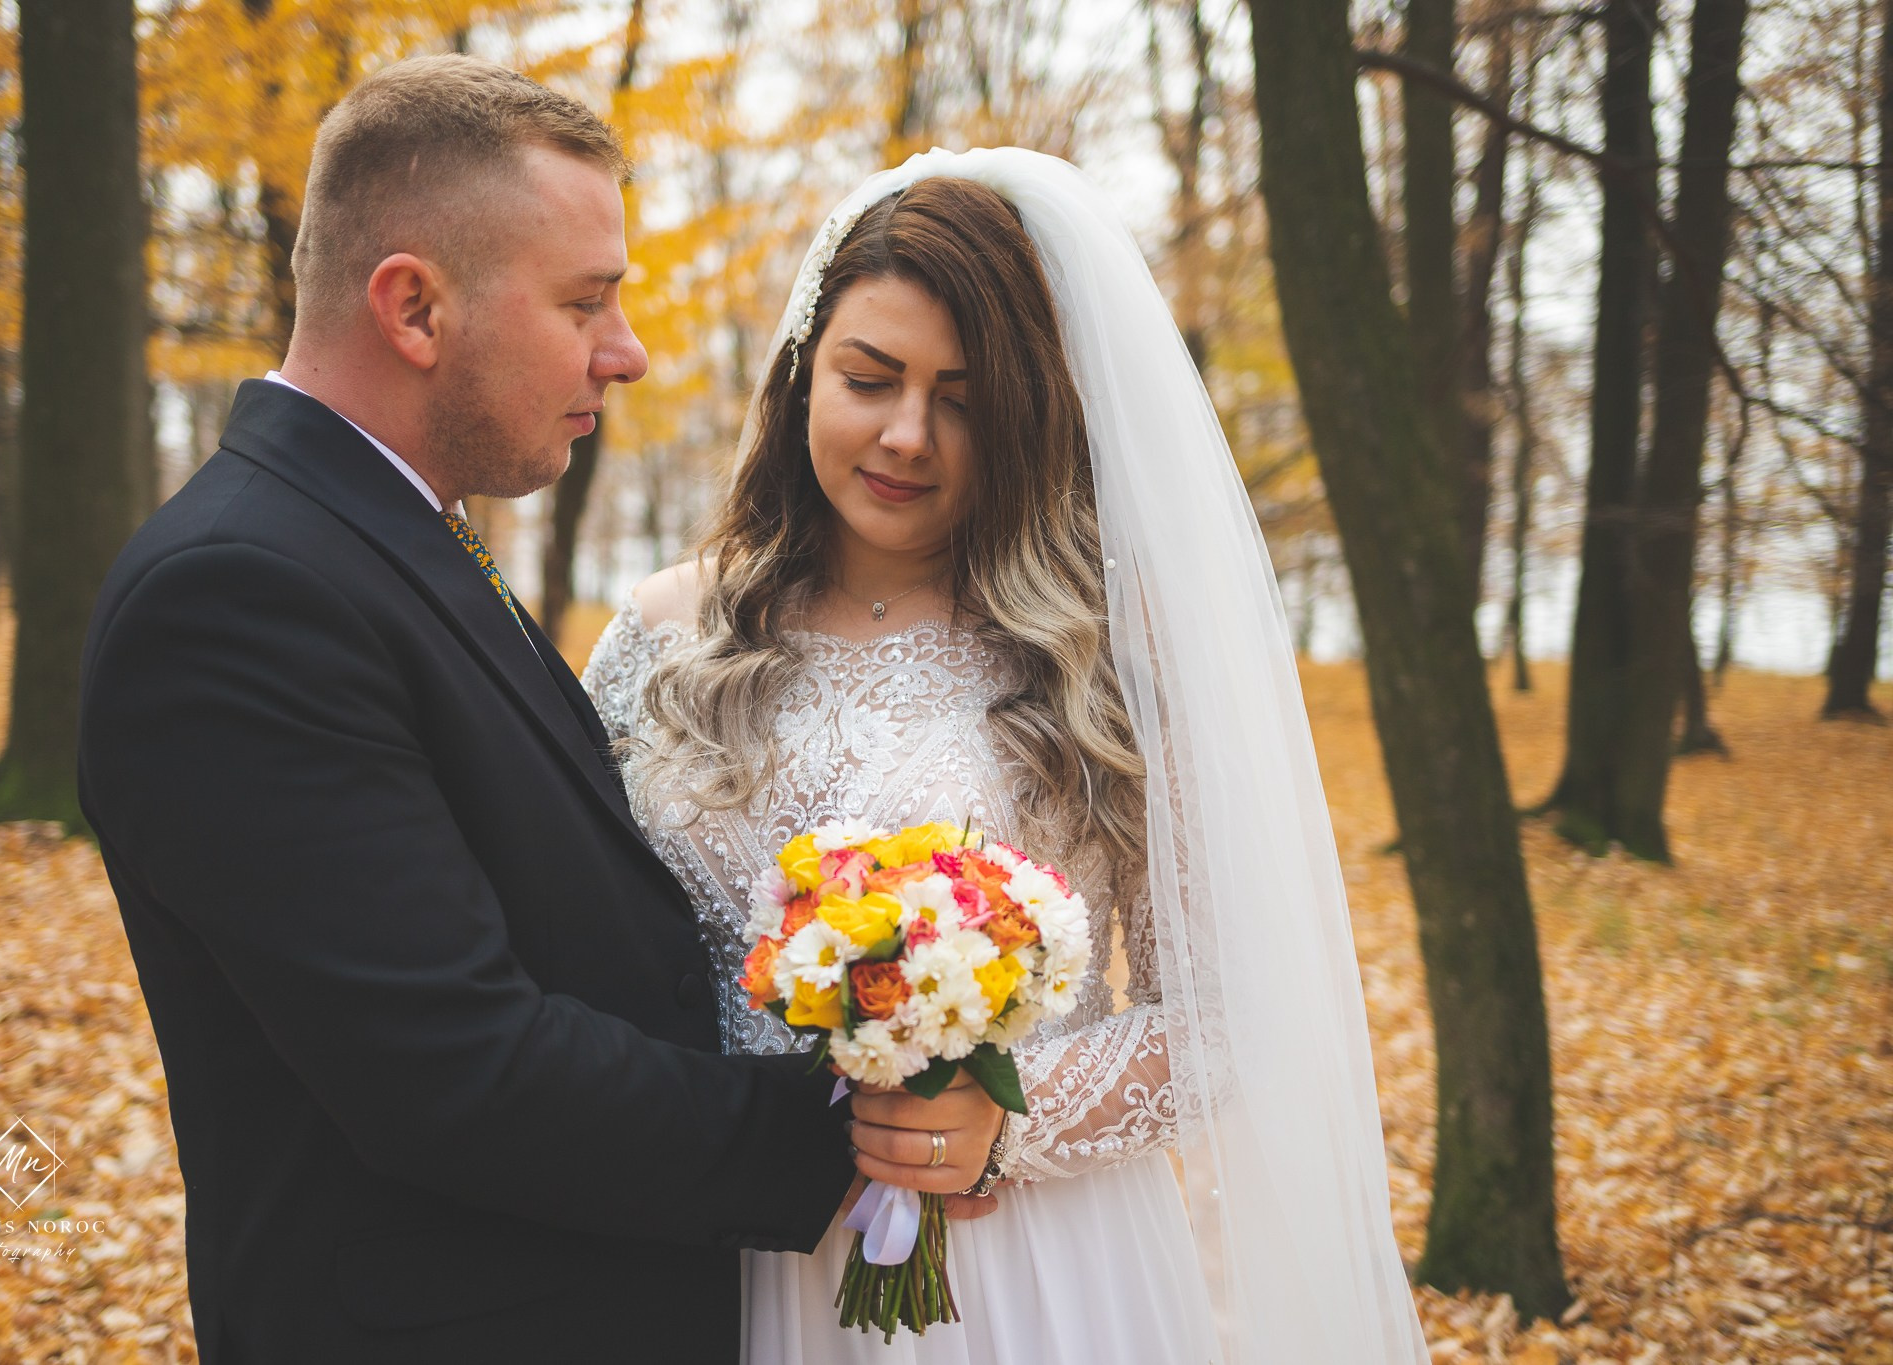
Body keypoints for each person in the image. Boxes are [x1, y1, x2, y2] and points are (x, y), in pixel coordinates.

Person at [75, 57, 1002, 1365]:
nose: (623, 354)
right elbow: (452, 1070)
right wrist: (840, 1136)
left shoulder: (386, 532)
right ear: (414, 308)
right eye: (586, 303)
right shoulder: (239, 596)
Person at [584, 151, 1435, 1363]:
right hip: (718, 1265)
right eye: (866, 378)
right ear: (797, 372)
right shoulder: (664, 634)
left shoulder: (1104, 653)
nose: (907, 435)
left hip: (1022, 1278)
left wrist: (1005, 1119)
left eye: (965, 401)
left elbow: (1231, 1017)